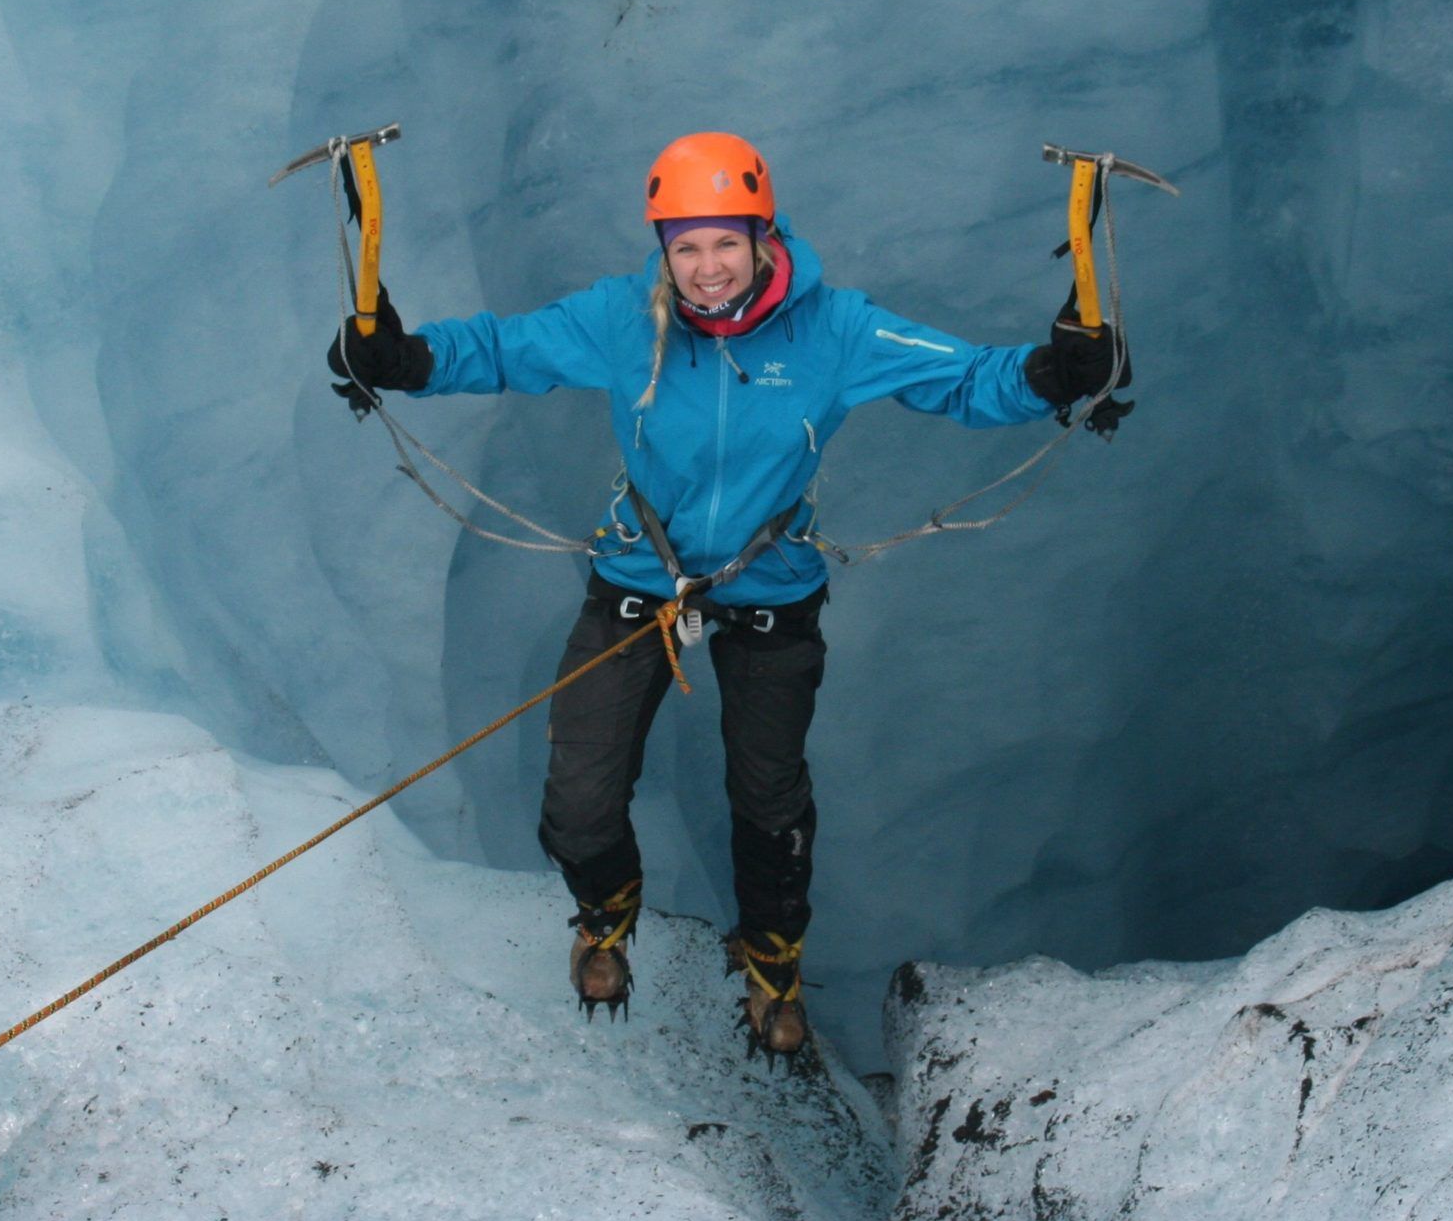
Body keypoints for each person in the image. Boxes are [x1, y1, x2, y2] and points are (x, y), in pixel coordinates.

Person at [328, 132, 1126, 1057]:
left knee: (770, 798)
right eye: (685, 247)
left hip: (773, 585)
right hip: (639, 574)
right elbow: (506, 348)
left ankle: (774, 958)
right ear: (663, 248)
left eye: (725, 243)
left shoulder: (836, 329)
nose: (707, 269)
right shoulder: (625, 317)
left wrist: (1053, 372)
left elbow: (961, 377)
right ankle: (606, 910)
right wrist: (403, 358)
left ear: (762, 232)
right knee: (577, 802)